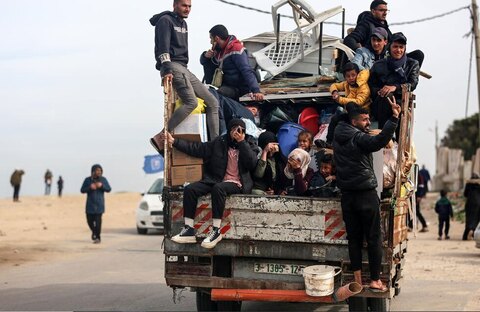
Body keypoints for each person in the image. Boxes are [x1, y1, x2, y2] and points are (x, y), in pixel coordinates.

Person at [333, 95, 400, 291]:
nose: (368, 122)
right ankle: (375, 280)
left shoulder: (338, 135)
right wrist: (394, 118)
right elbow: (379, 141)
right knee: (373, 238)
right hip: (365, 194)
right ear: (354, 121)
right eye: (365, 119)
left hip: (347, 196)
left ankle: (357, 280)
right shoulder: (358, 137)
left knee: (353, 238)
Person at [160, 118, 258, 249]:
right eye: (234, 129)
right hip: (216, 179)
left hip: (237, 183)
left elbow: (251, 164)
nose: (237, 132)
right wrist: (175, 142)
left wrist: (241, 142)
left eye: (241, 130)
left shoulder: (249, 143)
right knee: (190, 189)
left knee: (219, 189)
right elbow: (198, 148)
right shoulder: (220, 142)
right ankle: (188, 229)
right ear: (229, 131)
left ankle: (216, 231)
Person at [150, 0, 220, 152]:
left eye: (189, 6)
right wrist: (167, 69)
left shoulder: (183, 24)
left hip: (184, 67)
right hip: (172, 66)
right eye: (184, 5)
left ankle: (216, 145)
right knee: (191, 102)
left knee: (213, 102)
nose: (187, 9)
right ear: (174, 5)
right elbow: (163, 47)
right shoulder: (165, 21)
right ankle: (161, 136)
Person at [343, 0, 424, 67]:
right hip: (376, 61)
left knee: (418, 55)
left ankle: (407, 82)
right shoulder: (366, 25)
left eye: (386, 11)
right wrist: (362, 55)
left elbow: (392, 42)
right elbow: (349, 39)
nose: (385, 13)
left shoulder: (384, 26)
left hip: (389, 58)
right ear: (373, 11)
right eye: (381, 10)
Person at [368, 32, 420, 131]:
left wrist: (395, 87)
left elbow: (413, 84)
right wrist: (381, 91)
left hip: (402, 101)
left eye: (401, 47)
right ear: (389, 47)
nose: (398, 50)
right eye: (395, 47)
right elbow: (371, 84)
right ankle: (384, 136)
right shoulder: (379, 65)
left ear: (405, 48)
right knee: (387, 97)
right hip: (381, 103)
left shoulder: (412, 64)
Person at [200, 24, 264, 102]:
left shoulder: (236, 49)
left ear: (217, 38)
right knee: (209, 93)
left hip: (238, 88)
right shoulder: (218, 51)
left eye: (211, 39)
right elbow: (204, 63)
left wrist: (256, 91)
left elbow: (246, 70)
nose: (211, 42)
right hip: (226, 85)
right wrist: (205, 56)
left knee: (219, 94)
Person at [80, 164, 112, 244]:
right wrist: (90, 188)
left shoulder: (103, 179)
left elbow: (109, 189)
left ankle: (98, 237)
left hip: (99, 205)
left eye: (100, 170)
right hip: (90, 205)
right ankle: (94, 232)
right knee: (89, 221)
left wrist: (101, 186)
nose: (99, 172)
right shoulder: (87, 180)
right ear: (93, 171)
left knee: (98, 223)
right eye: (97, 170)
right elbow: (82, 190)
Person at [252, 131, 284, 195]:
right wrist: (265, 152)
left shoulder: (278, 159)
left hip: (274, 191)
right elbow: (259, 174)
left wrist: (278, 191)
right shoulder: (258, 155)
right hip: (259, 189)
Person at [462, 173, 480, 240]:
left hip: (469, 203)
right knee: (476, 218)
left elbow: (465, 194)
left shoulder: (468, 184)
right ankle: (473, 231)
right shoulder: (479, 184)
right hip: (478, 203)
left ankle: (469, 230)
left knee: (469, 218)